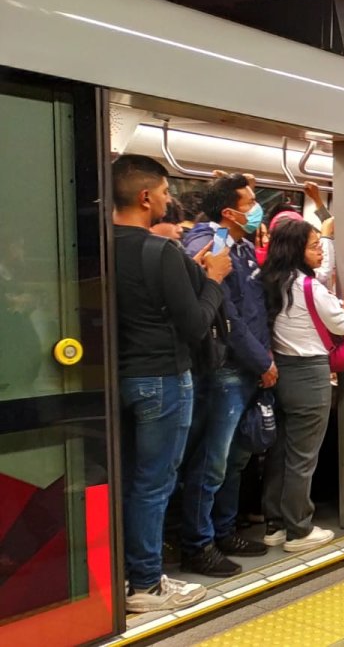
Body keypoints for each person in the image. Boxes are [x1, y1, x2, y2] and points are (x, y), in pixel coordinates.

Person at [112, 154, 231, 612]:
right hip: (161, 378)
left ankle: (124, 572)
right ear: (145, 197)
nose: (168, 200)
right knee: (154, 483)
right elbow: (196, 324)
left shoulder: (99, 246)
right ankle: (146, 584)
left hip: (116, 378)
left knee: (126, 480)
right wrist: (214, 281)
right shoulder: (160, 251)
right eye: (164, 192)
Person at [177, 174, 275, 576]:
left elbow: (255, 308)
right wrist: (262, 360)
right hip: (227, 370)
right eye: (250, 202)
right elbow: (227, 315)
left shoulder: (244, 248)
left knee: (236, 458)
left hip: (247, 368)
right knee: (211, 460)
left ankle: (223, 528)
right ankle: (197, 543)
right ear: (229, 212)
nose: (257, 209)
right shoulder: (208, 244)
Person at [260, 219, 344, 552]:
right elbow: (342, 323)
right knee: (304, 456)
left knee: (281, 451)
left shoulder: (273, 281)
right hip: (310, 374)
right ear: (296, 250)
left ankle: (274, 522)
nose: (320, 250)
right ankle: (299, 529)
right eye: (314, 245)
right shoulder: (310, 288)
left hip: (282, 371)